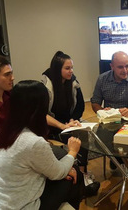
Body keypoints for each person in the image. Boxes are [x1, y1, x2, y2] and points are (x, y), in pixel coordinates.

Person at [0, 80, 84, 209]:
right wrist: (73, 152)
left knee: (66, 168)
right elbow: (58, 173)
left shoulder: (2, 132)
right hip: (20, 206)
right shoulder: (33, 142)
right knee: (75, 176)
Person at [42, 50, 100, 196]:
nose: (71, 71)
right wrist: (62, 125)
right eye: (67, 68)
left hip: (69, 122)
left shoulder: (72, 82)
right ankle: (80, 178)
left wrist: (73, 120)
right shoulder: (46, 85)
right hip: (53, 126)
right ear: (57, 69)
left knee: (84, 134)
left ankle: (82, 172)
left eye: (72, 67)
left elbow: (80, 105)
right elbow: (42, 114)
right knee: (75, 138)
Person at [91, 51, 128, 170]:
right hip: (109, 121)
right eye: (120, 67)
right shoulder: (102, 79)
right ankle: (118, 159)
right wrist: (102, 111)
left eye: (127, 66)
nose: (125, 70)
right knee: (102, 144)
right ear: (112, 67)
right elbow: (95, 102)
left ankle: (122, 158)